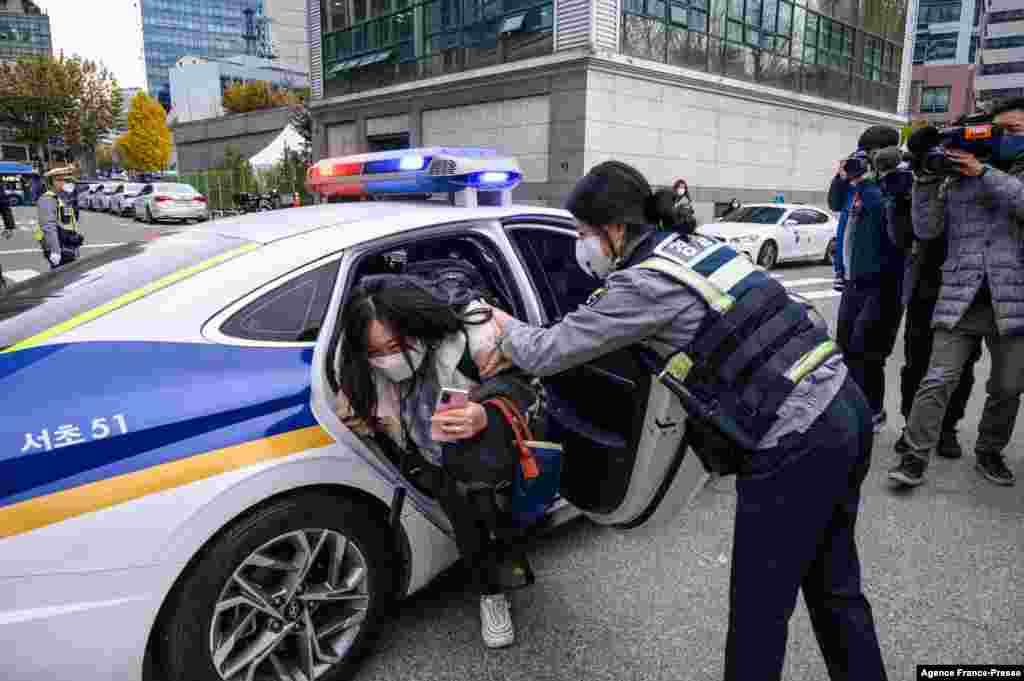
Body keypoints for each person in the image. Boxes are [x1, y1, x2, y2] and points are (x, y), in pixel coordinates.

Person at [478, 161, 888, 681]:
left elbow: (547, 352)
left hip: (794, 439)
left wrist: (502, 325)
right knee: (835, 588)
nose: (579, 246)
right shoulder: (693, 248)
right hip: (843, 406)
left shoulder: (642, 285)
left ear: (615, 230)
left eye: (582, 234)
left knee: (759, 610)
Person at [333, 276, 538, 648]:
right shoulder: (359, 368)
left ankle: (499, 579)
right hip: (427, 456)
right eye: (376, 352)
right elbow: (362, 413)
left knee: (488, 513)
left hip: (480, 447)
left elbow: (527, 387)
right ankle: (488, 586)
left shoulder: (473, 337)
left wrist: (485, 413)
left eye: (395, 346)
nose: (387, 359)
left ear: (418, 329)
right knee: (466, 523)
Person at [888, 98, 1024, 487]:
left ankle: (989, 451)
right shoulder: (957, 173)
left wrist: (985, 173)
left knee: (1008, 386)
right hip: (961, 294)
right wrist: (926, 179)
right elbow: (927, 228)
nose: (1005, 138)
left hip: (1012, 298)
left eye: (1014, 131)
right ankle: (914, 456)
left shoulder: (991, 172)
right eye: (1000, 130)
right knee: (938, 378)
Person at [876, 146, 983, 461]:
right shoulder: (919, 184)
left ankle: (947, 428)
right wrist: (899, 201)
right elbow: (903, 237)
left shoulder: (974, 184)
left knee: (961, 368)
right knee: (916, 365)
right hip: (925, 287)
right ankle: (913, 427)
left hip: (966, 289)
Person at [831, 125, 906, 432]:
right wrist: (842, 177)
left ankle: (872, 410)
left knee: (868, 351)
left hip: (884, 282)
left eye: (870, 153)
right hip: (854, 279)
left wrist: (865, 182)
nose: (865, 159)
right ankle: (853, 407)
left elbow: (886, 220)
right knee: (846, 346)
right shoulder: (858, 183)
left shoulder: (899, 180)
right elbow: (835, 203)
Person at [34, 170, 81, 270]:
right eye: (59, 180)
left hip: (68, 245)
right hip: (58, 247)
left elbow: (69, 222)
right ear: (50, 183)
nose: (64, 183)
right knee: (62, 279)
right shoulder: (47, 199)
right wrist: (55, 251)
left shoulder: (64, 198)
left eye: (66, 180)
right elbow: (48, 226)